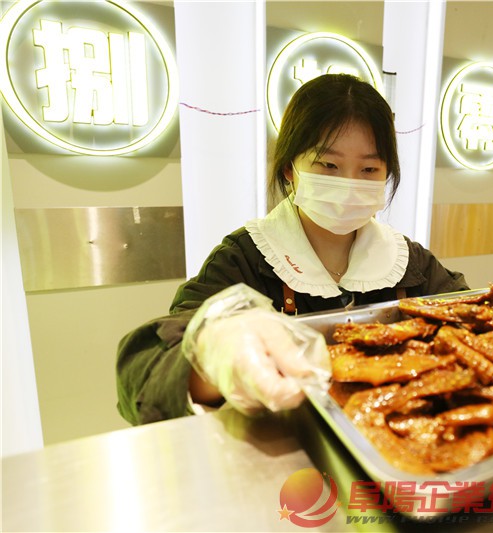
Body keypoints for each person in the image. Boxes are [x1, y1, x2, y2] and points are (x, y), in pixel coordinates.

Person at [116, 74, 469, 425]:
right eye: (328, 165)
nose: (349, 185)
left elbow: (476, 328)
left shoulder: (410, 263)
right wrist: (210, 356)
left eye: (368, 169)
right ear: (289, 168)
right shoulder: (244, 258)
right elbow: (142, 376)